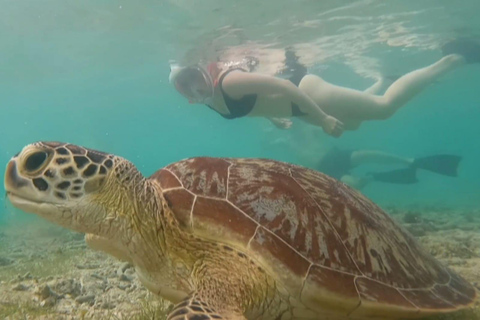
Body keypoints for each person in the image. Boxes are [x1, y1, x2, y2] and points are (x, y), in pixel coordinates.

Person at [169, 39, 480, 136]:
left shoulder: (230, 82)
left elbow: (282, 86)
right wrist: (273, 118)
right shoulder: (209, 99)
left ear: (202, 70)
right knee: (356, 122)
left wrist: (321, 118)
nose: (194, 89)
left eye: (193, 79)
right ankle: (383, 80)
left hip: (309, 93)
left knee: (385, 109)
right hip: (300, 108)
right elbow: (255, 104)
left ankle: (452, 60)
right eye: (185, 88)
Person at [317, 147, 462, 190]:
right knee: (355, 185)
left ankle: (412, 162)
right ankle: (373, 176)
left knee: (365, 155)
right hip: (321, 170)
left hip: (331, 155)